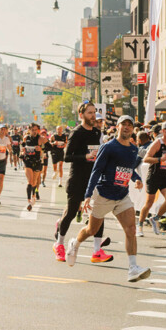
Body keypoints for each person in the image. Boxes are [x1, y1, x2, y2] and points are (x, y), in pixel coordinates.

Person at [65, 115, 151, 282]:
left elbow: (128, 169)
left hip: (122, 195)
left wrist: (137, 179)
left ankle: (133, 268)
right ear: (117, 127)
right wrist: (88, 195)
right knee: (91, 230)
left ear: (132, 129)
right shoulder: (109, 147)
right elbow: (96, 170)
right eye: (123, 124)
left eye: (129, 125)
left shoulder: (133, 149)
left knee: (131, 229)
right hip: (104, 195)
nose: (126, 127)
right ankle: (75, 243)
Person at [53, 103, 111, 263]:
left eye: (94, 112)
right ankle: (59, 244)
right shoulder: (76, 133)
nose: (93, 116)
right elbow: (67, 157)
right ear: (81, 115)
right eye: (90, 113)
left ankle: (97, 251)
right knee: (71, 213)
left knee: (98, 212)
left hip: (93, 179)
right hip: (77, 178)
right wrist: (85, 156)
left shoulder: (97, 132)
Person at [138, 121, 166, 236]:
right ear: (163, 131)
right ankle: (139, 225)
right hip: (154, 175)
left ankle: (155, 218)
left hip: (165, 175)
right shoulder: (157, 143)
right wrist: (160, 159)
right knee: (149, 203)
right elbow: (146, 159)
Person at [21, 123, 44, 209]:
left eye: (35, 130)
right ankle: (29, 200)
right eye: (32, 130)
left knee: (34, 182)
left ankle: (33, 195)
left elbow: (49, 147)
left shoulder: (41, 138)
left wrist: (41, 149)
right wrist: (22, 151)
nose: (34, 131)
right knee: (30, 181)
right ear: (29, 130)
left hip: (37, 162)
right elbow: (23, 146)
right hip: (28, 161)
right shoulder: (26, 138)